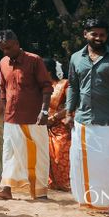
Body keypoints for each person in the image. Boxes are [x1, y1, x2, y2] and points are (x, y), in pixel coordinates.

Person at [66, 18, 109, 210]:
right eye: (94, 34)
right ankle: (89, 201)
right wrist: (70, 111)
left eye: (102, 34)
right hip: (83, 120)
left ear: (107, 36)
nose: (98, 38)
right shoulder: (76, 58)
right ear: (85, 34)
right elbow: (73, 86)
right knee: (84, 162)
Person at [0, 30, 52, 201]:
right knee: (9, 153)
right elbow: (3, 89)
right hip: (11, 117)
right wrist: (5, 109)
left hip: (35, 117)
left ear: (17, 43)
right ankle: (6, 188)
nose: (6, 52)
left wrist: (45, 111)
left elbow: (47, 87)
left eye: (9, 48)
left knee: (38, 154)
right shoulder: (3, 62)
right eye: (3, 49)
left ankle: (40, 191)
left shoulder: (34, 60)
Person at [44, 58, 71, 191]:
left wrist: (54, 117)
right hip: (44, 127)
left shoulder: (64, 84)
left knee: (61, 155)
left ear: (47, 71)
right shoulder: (42, 88)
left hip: (60, 127)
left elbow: (71, 105)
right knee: (47, 157)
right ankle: (53, 185)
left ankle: (66, 185)